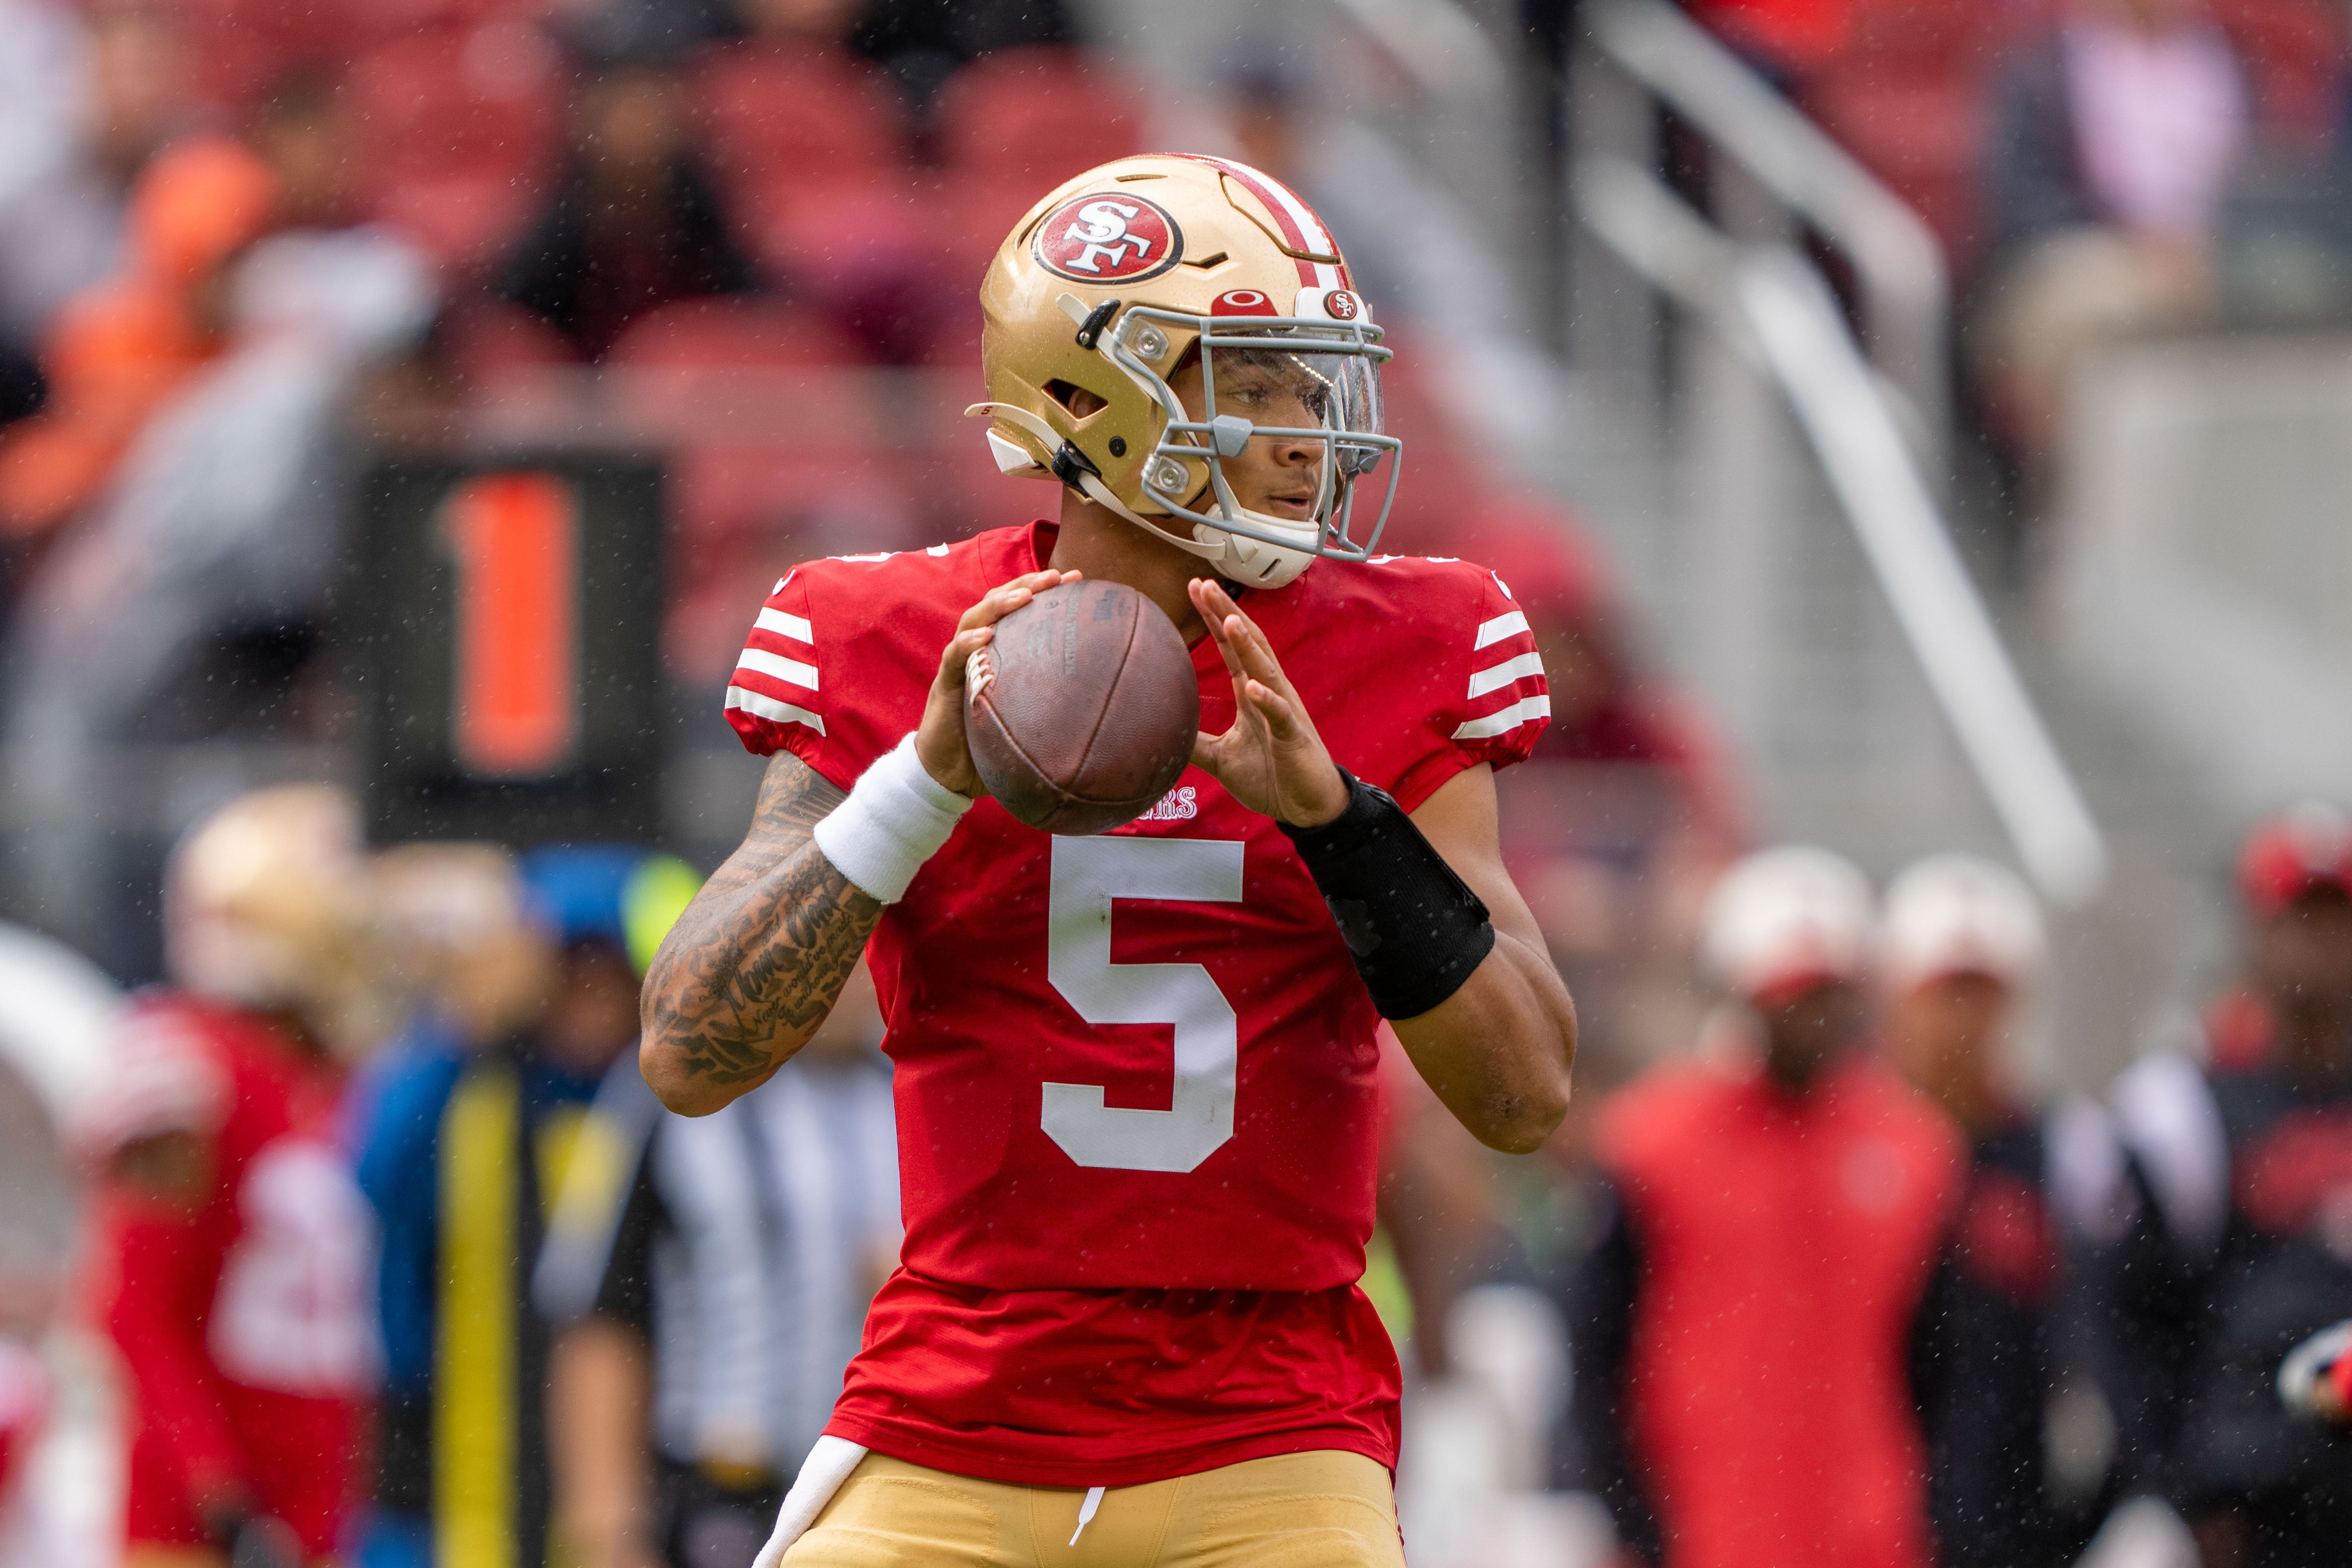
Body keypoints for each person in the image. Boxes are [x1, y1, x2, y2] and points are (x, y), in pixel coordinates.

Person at [639, 152, 1577, 1566]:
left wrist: (1342, 826)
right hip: (956, 1412)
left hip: (1274, 1428)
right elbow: (687, 1051)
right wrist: (922, 784)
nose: (1306, 434)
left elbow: (1524, 1093)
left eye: (1311, 385)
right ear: (1088, 400)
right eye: (1254, 383)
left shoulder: (1408, 641)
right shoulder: (893, 637)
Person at [1568, 846, 1963, 1568]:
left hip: (1865, 1527)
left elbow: (1945, 1359)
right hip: (1702, 1524)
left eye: (1825, 994)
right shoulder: (1652, 1140)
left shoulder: (1915, 1149)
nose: (1809, 1016)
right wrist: (1628, 1513)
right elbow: (1597, 1346)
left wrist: (1946, 1511)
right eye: (1789, 994)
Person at [73, 784, 383, 1568]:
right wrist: (220, 1491)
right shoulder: (194, 1064)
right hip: (198, 1529)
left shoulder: (336, 1081)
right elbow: (132, 1307)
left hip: (314, 1506)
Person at [537, 940, 899, 1568]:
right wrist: (608, 1529)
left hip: (875, 1500)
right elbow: (601, 1314)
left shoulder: (913, 1085)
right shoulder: (680, 1080)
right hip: (720, 1497)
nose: (856, 972)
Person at [354, 845, 655, 1568]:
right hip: (443, 1468)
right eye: (571, 979)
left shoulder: (652, 1107)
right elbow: (373, 1178)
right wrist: (463, 1022)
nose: (592, 1003)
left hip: (614, 1478)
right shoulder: (466, 1088)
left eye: (610, 981)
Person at [2099, 802, 2352, 1567]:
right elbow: (2125, 1320)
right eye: (2296, 918)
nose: (2316, 943)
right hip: (2246, 1513)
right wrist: (2182, 1492)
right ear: (2252, 929)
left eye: (2334, 919)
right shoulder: (2180, 1107)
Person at [1879, 854, 2123, 1568]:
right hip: (1869, 1513)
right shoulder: (1845, 1148)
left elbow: (2097, 1344)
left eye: (1980, 992)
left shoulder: (2071, 1151)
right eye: (1942, 991)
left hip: (2010, 1520)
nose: (1961, 1016)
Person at [1971, 0, 2250, 485]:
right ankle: (2080, 496)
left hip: (2211, 256)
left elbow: (2264, 183)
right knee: (2093, 312)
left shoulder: (2229, 62)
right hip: (2083, 253)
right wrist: (2131, 242)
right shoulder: (2040, 67)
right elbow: (2020, 204)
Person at [495, 58, 755, 361]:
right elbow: (520, 313)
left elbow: (745, 307)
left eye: (648, 116)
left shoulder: (705, 212)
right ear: (590, 128)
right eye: (624, 117)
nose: (636, 132)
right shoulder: (562, 218)